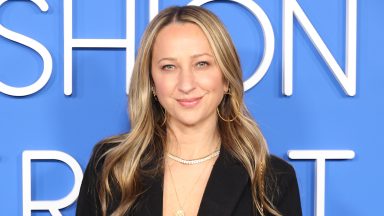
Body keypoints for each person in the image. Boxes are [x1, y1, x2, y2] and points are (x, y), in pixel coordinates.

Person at [76, 5, 302, 216]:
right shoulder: (110, 166)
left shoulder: (272, 180)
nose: (186, 84)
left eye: (201, 64)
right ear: (152, 83)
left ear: (226, 78)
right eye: (169, 67)